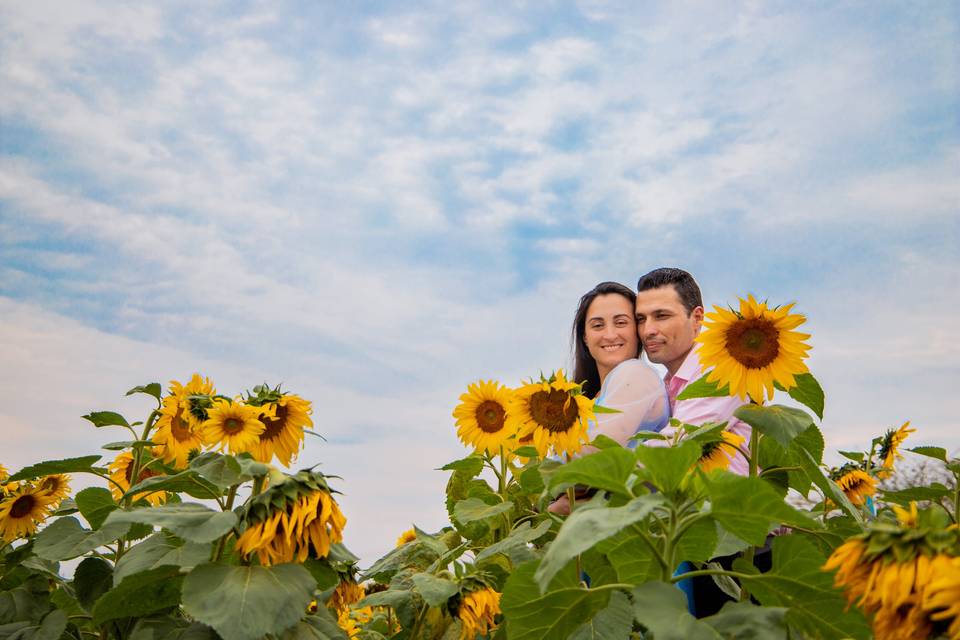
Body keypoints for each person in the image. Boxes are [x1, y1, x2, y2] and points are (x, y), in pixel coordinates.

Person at [548, 281, 670, 515]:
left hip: (635, 531)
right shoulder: (593, 397)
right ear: (584, 337)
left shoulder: (635, 373)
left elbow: (594, 455)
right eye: (597, 325)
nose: (610, 334)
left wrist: (551, 498)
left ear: (637, 331)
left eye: (621, 322)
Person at [634, 267, 750, 475]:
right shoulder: (669, 384)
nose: (647, 330)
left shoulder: (721, 369)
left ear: (697, 318)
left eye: (661, 316)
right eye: (641, 319)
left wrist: (588, 483)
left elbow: (673, 445)